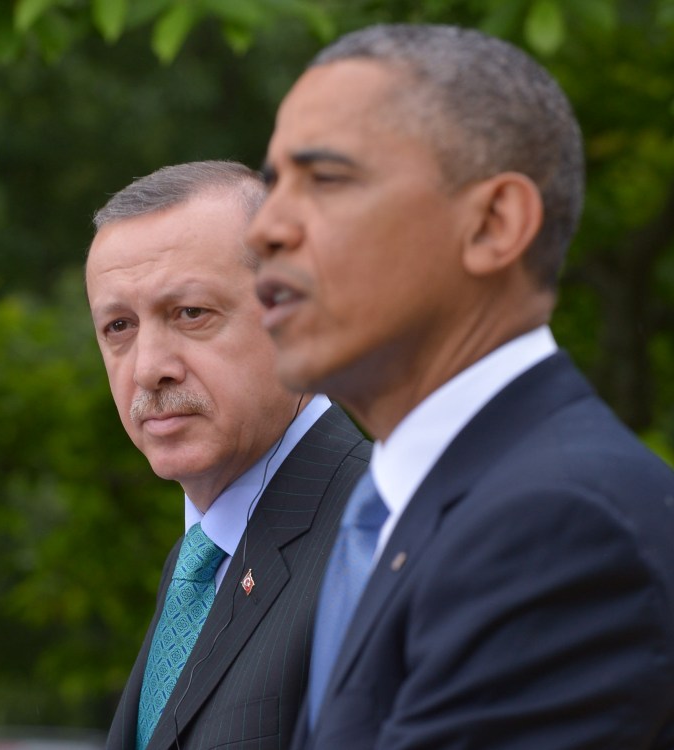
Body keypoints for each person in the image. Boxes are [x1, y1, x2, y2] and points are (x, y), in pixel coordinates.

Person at [246, 23, 674, 750]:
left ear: (493, 224)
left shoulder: (558, 528)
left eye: (326, 179)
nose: (265, 230)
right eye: (271, 184)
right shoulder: (406, 512)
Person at [85, 160, 371, 750]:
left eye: (191, 313)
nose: (148, 368)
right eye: (119, 326)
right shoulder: (200, 561)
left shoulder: (387, 535)